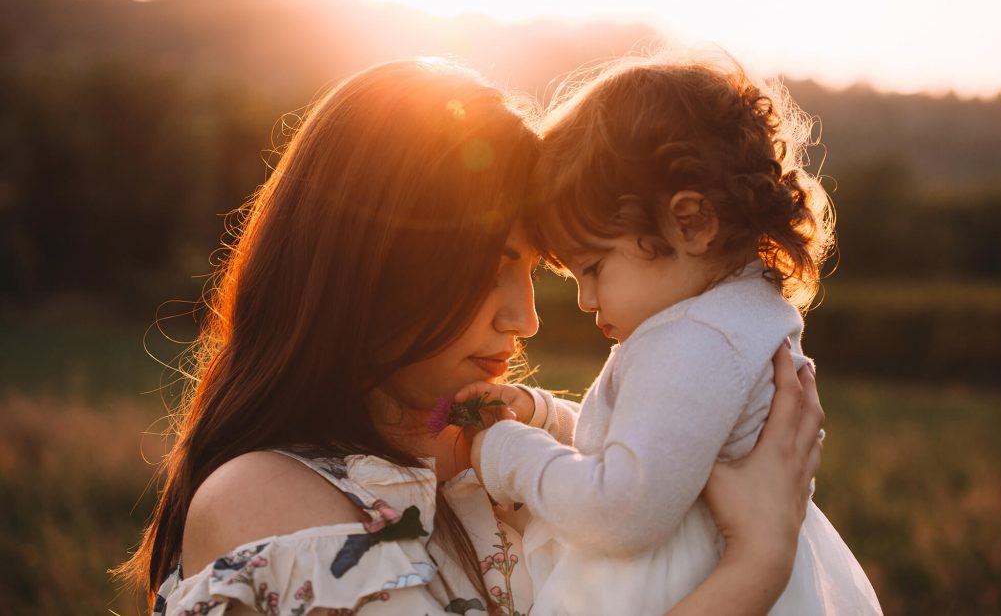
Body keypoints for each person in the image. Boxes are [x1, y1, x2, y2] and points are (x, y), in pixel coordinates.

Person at [118, 58, 825, 616]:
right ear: (376, 267)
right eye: (490, 271)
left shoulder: (498, 458)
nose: (526, 320)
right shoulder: (269, 504)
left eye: (535, 272)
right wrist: (758, 563)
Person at [462, 55, 882, 615]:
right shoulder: (742, 317)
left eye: (594, 268)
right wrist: (547, 416)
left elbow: (621, 508)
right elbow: (662, 440)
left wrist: (513, 453)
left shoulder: (697, 342)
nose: (586, 300)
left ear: (691, 223)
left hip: (668, 585)